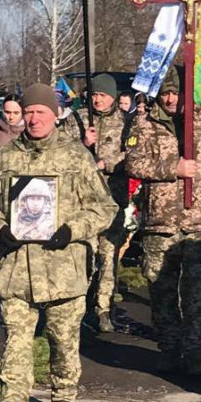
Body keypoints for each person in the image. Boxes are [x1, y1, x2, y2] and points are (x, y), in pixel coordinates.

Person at [0, 83, 117, 402]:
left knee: (63, 340)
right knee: (16, 342)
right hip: (17, 268)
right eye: (29, 112)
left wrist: (73, 230)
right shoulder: (5, 158)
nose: (34, 119)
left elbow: (105, 207)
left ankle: (64, 397)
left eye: (41, 113)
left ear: (55, 115)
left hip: (63, 269)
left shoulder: (75, 156)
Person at [126, 67, 201, 375]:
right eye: (166, 93)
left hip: (200, 223)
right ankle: (169, 348)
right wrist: (174, 167)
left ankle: (195, 352)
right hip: (159, 223)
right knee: (160, 289)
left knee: (197, 292)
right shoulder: (145, 124)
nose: (171, 98)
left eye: (176, 92)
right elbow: (133, 163)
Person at [84, 73, 132, 333]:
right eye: (94, 95)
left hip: (113, 198)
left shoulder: (126, 123)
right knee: (86, 256)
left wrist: (107, 163)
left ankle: (103, 308)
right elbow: (63, 149)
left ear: (112, 97)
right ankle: (83, 304)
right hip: (85, 202)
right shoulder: (79, 120)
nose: (97, 99)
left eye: (102, 95)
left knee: (108, 255)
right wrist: (84, 144)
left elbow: (133, 155)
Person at [0, 94, 24, 165]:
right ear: (2, 111)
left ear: (23, 112)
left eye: (16, 113)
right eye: (8, 112)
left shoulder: (30, 134)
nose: (11, 117)